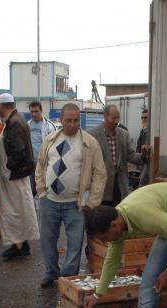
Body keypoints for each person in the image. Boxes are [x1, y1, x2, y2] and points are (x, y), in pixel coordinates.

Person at [35, 103, 107, 287]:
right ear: (61, 120)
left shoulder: (90, 143)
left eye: (76, 120)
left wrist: (93, 201)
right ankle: (52, 272)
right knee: (47, 240)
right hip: (49, 201)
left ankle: (68, 277)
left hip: (75, 203)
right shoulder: (50, 140)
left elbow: (100, 173)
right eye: (69, 120)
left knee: (75, 243)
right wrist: (42, 191)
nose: (73, 124)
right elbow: (41, 166)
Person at [0, 93, 39, 260]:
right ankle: (20, 244)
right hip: (15, 175)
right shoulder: (15, 120)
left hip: (14, 175)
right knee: (18, 210)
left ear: (1, 106)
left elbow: (18, 150)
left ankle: (19, 245)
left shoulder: (14, 123)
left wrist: (8, 166)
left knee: (16, 211)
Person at [89, 104, 144, 206]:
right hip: (101, 187)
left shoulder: (123, 134)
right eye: (113, 118)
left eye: (118, 117)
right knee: (103, 219)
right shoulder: (93, 135)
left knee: (118, 217)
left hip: (120, 187)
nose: (116, 121)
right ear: (105, 116)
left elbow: (130, 155)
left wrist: (143, 155)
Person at [137, 109, 151, 188]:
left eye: (145, 117)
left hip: (147, 162)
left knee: (142, 185)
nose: (143, 119)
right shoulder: (143, 130)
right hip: (142, 162)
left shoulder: (148, 131)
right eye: (142, 118)